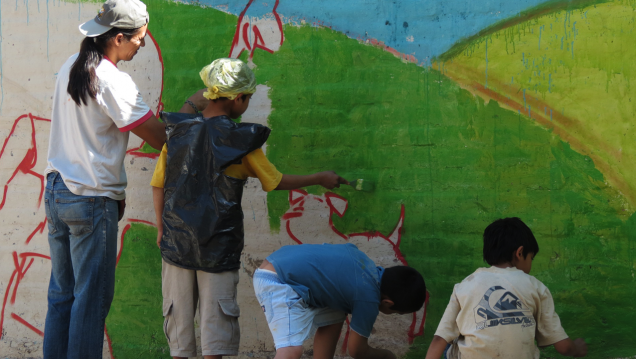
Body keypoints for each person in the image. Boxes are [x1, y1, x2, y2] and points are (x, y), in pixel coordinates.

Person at [151, 58, 348, 359]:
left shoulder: (177, 133)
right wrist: (320, 178)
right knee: (215, 332)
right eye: (248, 97)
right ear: (238, 98)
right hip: (218, 248)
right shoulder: (242, 143)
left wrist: (162, 228)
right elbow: (276, 181)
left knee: (179, 331)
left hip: (176, 245)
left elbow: (158, 183)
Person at [42, 0, 208, 357]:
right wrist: (193, 108)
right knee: (90, 302)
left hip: (57, 191)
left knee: (62, 296)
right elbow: (160, 137)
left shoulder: (71, 65)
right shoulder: (112, 80)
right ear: (118, 38)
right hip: (89, 198)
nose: (142, 45)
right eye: (139, 39)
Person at [425, 217, 588, 359]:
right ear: (520, 253)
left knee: (451, 342)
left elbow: (440, 339)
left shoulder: (465, 285)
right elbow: (564, 347)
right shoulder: (536, 286)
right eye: (531, 258)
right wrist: (577, 349)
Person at [254, 243, 427, 359]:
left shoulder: (365, 265)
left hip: (279, 265)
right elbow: (357, 350)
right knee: (291, 350)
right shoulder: (369, 298)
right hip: (279, 281)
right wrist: (386, 355)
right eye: (396, 313)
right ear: (388, 303)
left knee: (336, 313)